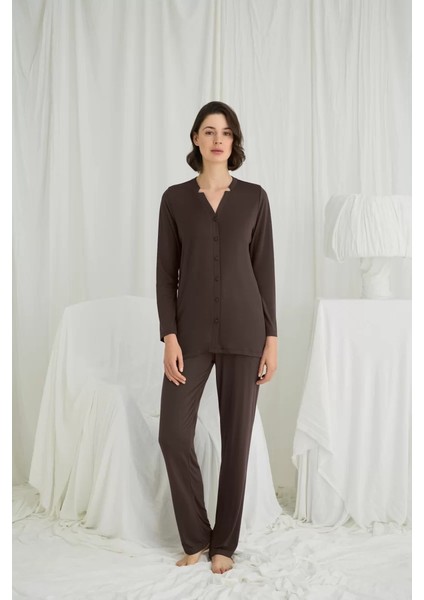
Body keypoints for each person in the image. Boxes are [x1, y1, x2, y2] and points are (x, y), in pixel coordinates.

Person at [156, 101, 278, 575]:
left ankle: (224, 544)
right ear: (196, 139)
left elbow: (264, 272)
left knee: (236, 443)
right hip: (189, 336)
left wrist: (272, 338)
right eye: (209, 131)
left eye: (226, 132)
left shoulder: (254, 198)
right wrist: (169, 335)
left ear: (234, 141)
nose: (218, 139)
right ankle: (195, 536)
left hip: (246, 334)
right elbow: (165, 275)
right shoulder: (174, 199)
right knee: (173, 434)